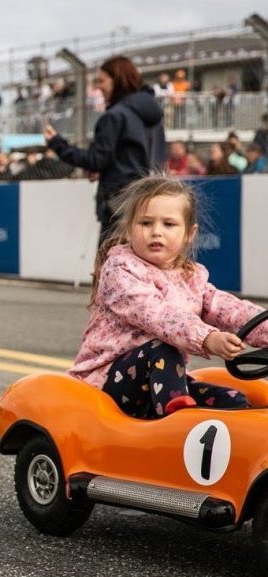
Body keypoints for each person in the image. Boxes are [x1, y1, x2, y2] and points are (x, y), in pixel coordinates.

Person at [69, 175, 268, 418]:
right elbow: (157, 315)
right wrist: (208, 337)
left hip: (162, 382)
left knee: (233, 400)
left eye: (169, 224)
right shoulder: (120, 270)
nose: (156, 232)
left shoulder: (190, 276)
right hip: (107, 382)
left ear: (189, 233)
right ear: (130, 228)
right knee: (162, 348)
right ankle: (178, 423)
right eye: (145, 223)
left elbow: (228, 308)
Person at [45, 56, 166, 243]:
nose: (98, 87)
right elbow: (133, 156)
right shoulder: (152, 115)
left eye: (101, 81)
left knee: (110, 265)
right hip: (152, 199)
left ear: (118, 80)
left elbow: (96, 159)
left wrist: (57, 143)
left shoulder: (114, 116)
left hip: (119, 203)